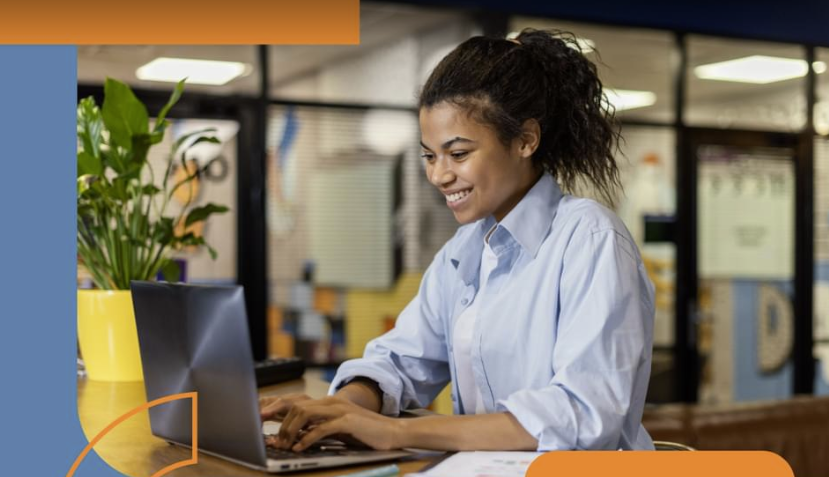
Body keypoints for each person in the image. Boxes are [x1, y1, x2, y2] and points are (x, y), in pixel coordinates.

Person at [260, 28, 655, 452]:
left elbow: (582, 415)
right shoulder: (464, 250)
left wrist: (396, 432)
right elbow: (401, 360)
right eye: (429, 155)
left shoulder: (591, 240)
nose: (438, 175)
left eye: (459, 153)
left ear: (526, 140)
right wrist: (341, 409)